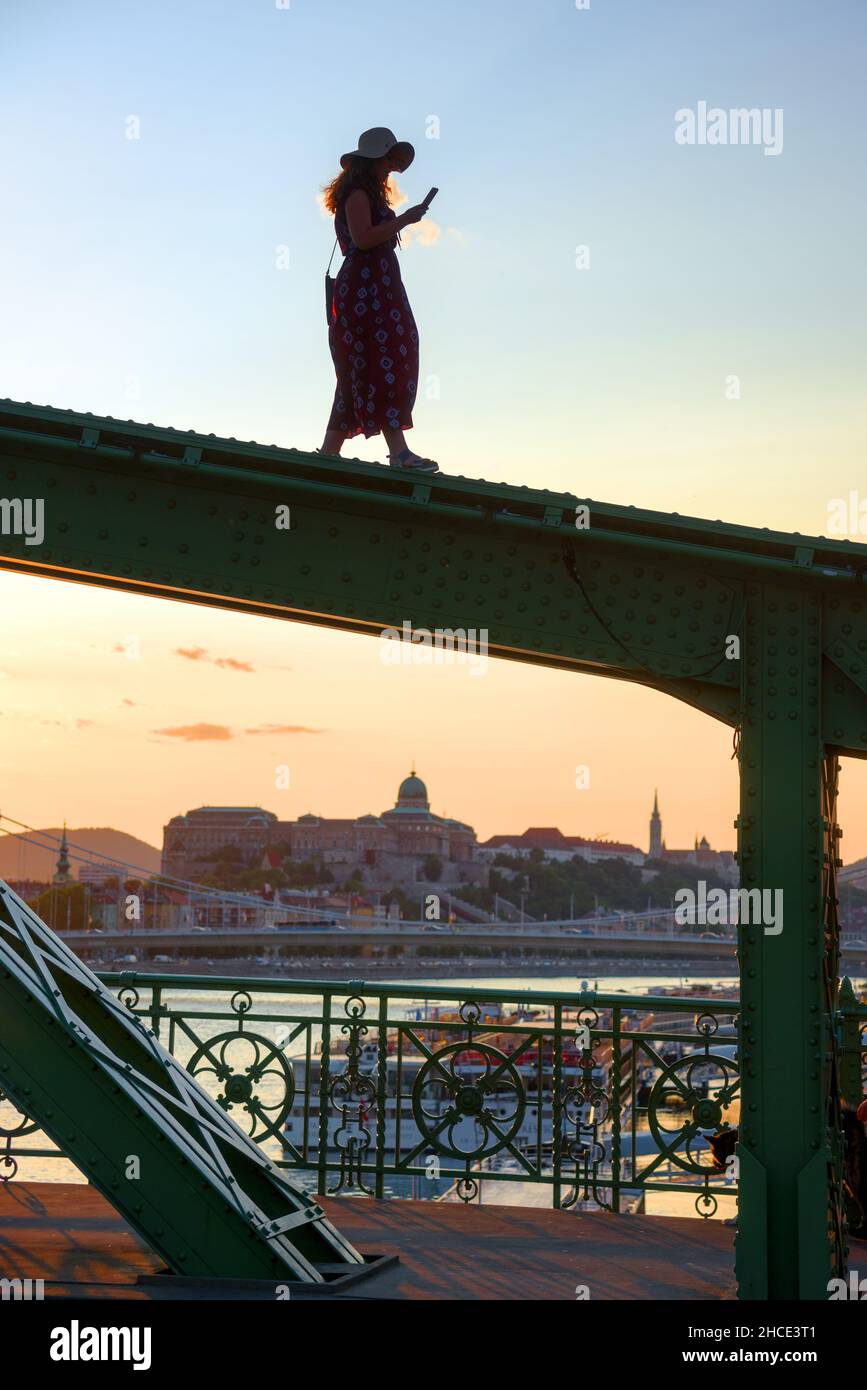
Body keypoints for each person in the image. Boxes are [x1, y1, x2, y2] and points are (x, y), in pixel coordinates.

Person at [318, 127, 437, 472]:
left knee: (363, 363)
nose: (389, 168)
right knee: (385, 356)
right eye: (387, 160)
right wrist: (405, 219)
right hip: (367, 289)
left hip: (375, 287)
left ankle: (329, 452)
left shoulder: (364, 193)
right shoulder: (357, 194)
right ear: (373, 160)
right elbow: (364, 238)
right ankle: (399, 452)